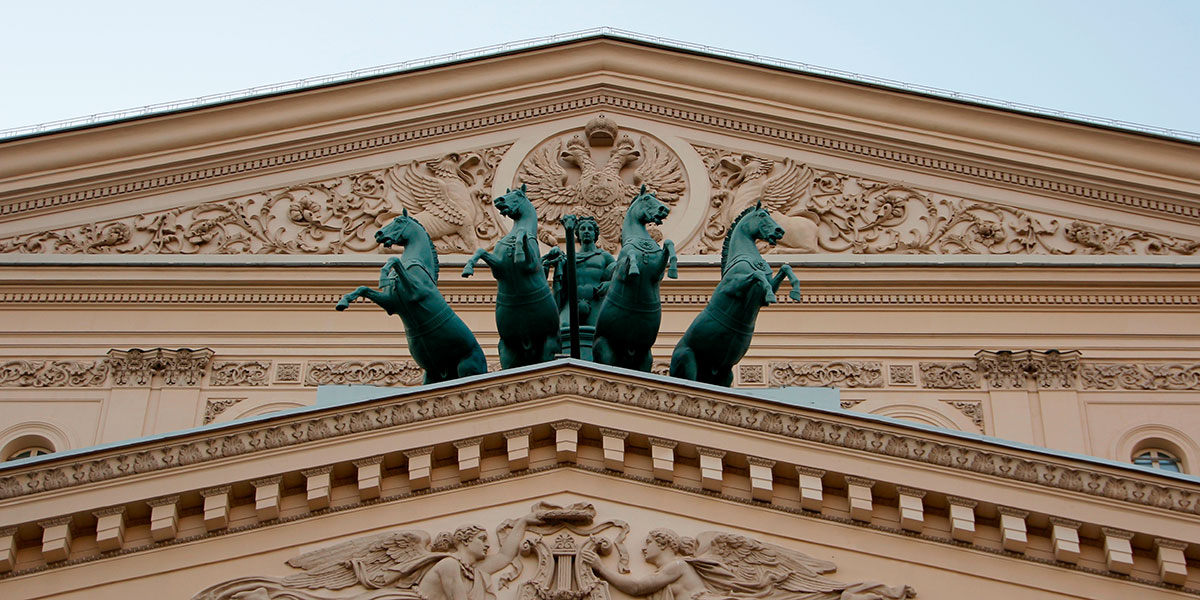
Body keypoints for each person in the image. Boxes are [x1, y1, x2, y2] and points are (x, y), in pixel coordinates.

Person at [544, 216, 615, 328]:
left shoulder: (604, 256)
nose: (586, 231)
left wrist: (610, 284)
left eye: (590, 229)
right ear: (578, 234)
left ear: (595, 234)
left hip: (596, 301)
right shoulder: (569, 258)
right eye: (582, 229)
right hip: (571, 302)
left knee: (598, 329)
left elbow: (620, 273)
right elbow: (553, 267)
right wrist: (555, 253)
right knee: (564, 326)